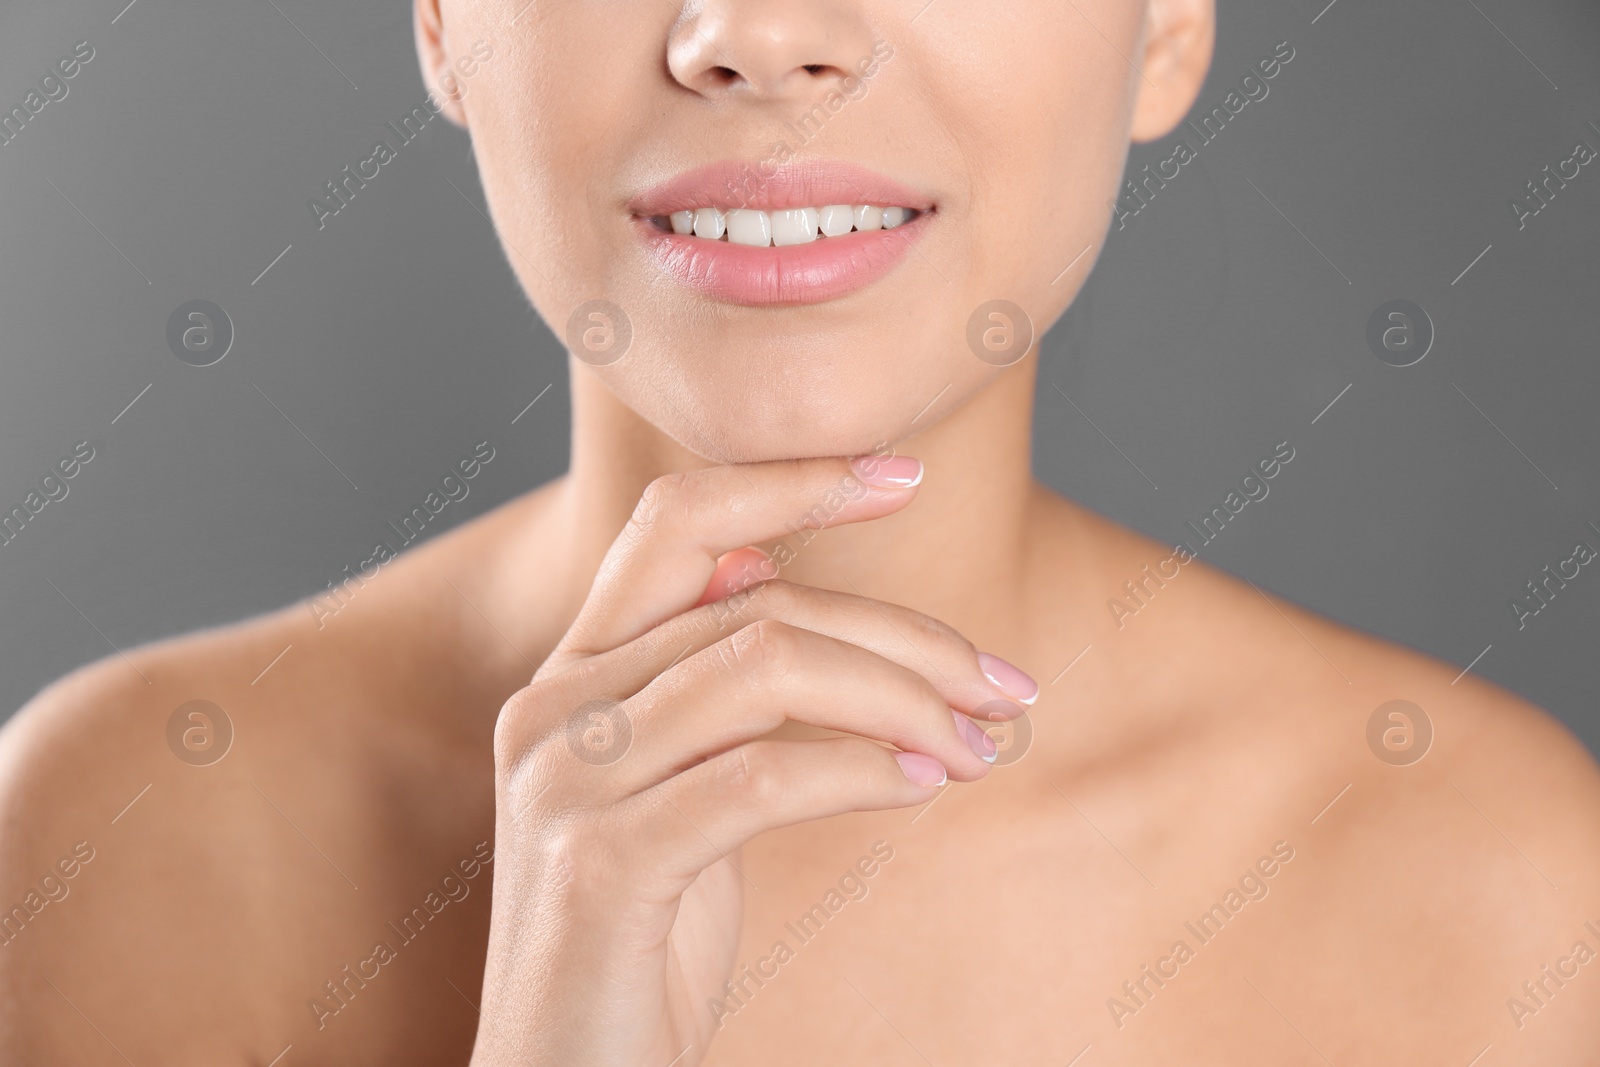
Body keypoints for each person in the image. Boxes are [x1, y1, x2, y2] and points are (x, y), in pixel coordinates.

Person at [3, 0, 1598, 1063]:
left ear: (1167, 20)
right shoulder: (118, 843)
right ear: (442, 19)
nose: (763, 36)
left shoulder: (1507, 895)